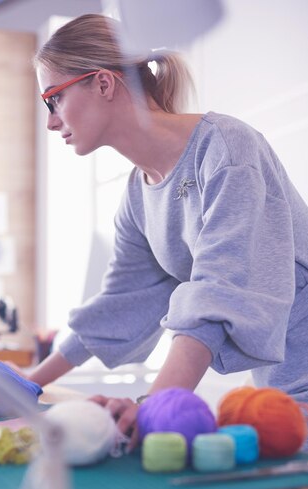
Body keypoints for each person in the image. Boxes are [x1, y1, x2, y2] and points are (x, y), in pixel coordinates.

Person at [28, 13, 308, 448]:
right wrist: (26, 382)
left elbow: (220, 290)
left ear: (103, 83)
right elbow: (122, 304)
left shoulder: (227, 149)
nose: (50, 120)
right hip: (282, 394)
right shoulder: (139, 193)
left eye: (53, 99)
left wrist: (153, 405)